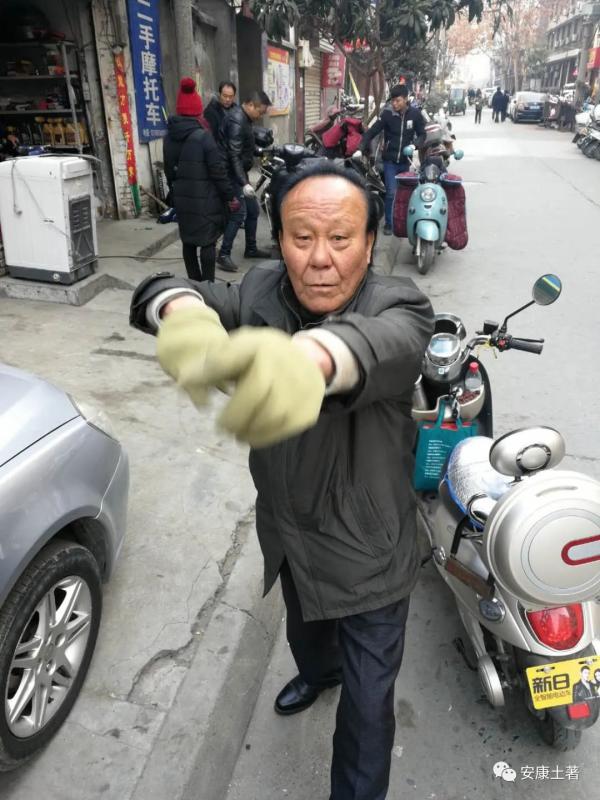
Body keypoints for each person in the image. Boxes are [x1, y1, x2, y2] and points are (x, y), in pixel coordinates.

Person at [130, 160, 435, 800]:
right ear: (279, 240)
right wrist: (180, 310)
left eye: (340, 238)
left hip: (370, 551)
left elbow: (379, 344)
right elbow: (179, 286)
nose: (320, 259)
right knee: (306, 636)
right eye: (302, 237)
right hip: (289, 533)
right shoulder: (263, 288)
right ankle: (318, 675)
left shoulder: (400, 303)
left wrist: (311, 358)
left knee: (367, 714)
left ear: (370, 243)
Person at [163, 77, 240, 283]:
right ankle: (207, 285)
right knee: (207, 242)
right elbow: (218, 172)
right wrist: (230, 196)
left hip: (182, 199)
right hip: (205, 200)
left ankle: (194, 283)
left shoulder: (169, 137)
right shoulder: (203, 136)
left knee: (188, 242)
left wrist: (176, 192)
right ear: (197, 111)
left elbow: (169, 171)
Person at [353, 84, 426, 236]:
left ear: (406, 99)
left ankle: (402, 221)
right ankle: (389, 223)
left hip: (405, 161)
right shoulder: (387, 115)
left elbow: (422, 134)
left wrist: (414, 145)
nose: (394, 104)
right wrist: (360, 148)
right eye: (393, 101)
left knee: (403, 194)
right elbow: (372, 132)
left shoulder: (415, 115)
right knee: (391, 193)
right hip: (390, 162)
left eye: (398, 100)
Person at [216, 89, 273, 272]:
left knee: (253, 210)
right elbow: (233, 155)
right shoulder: (237, 121)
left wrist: (261, 151)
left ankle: (251, 248)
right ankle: (223, 254)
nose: (260, 116)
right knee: (238, 213)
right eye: (259, 112)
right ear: (249, 105)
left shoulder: (245, 120)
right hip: (231, 174)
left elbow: (245, 146)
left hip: (239, 173)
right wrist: (244, 183)